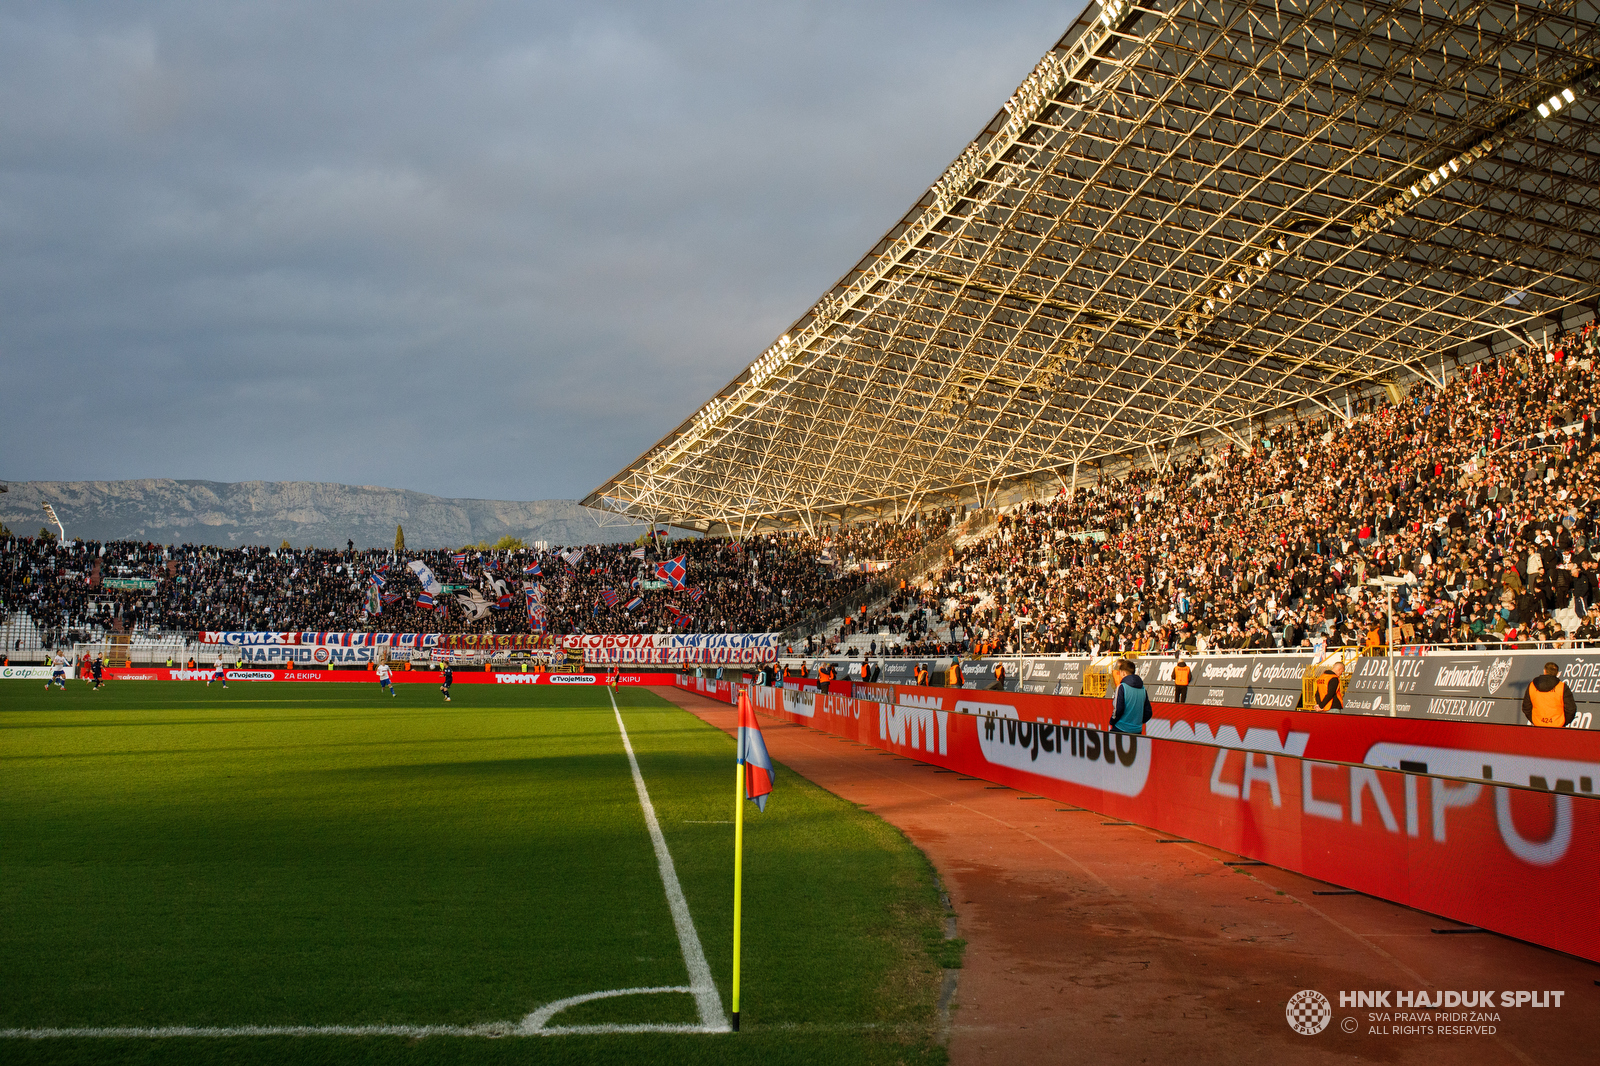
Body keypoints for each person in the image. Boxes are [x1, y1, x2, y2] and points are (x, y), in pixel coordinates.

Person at [1522, 662, 1576, 727]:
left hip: (1538, 725)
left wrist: (1535, 720)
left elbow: (1526, 707)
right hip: (1558, 726)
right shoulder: (1562, 687)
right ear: (1557, 673)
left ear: (1544, 671)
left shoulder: (1532, 686)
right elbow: (1571, 709)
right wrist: (1562, 722)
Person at [1109, 659, 1151, 734]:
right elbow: (1148, 712)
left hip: (1121, 728)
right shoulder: (1143, 689)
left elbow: (1118, 709)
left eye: (1120, 672)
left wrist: (1112, 721)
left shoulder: (1122, 687)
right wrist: (1138, 723)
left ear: (1124, 673)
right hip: (1137, 730)